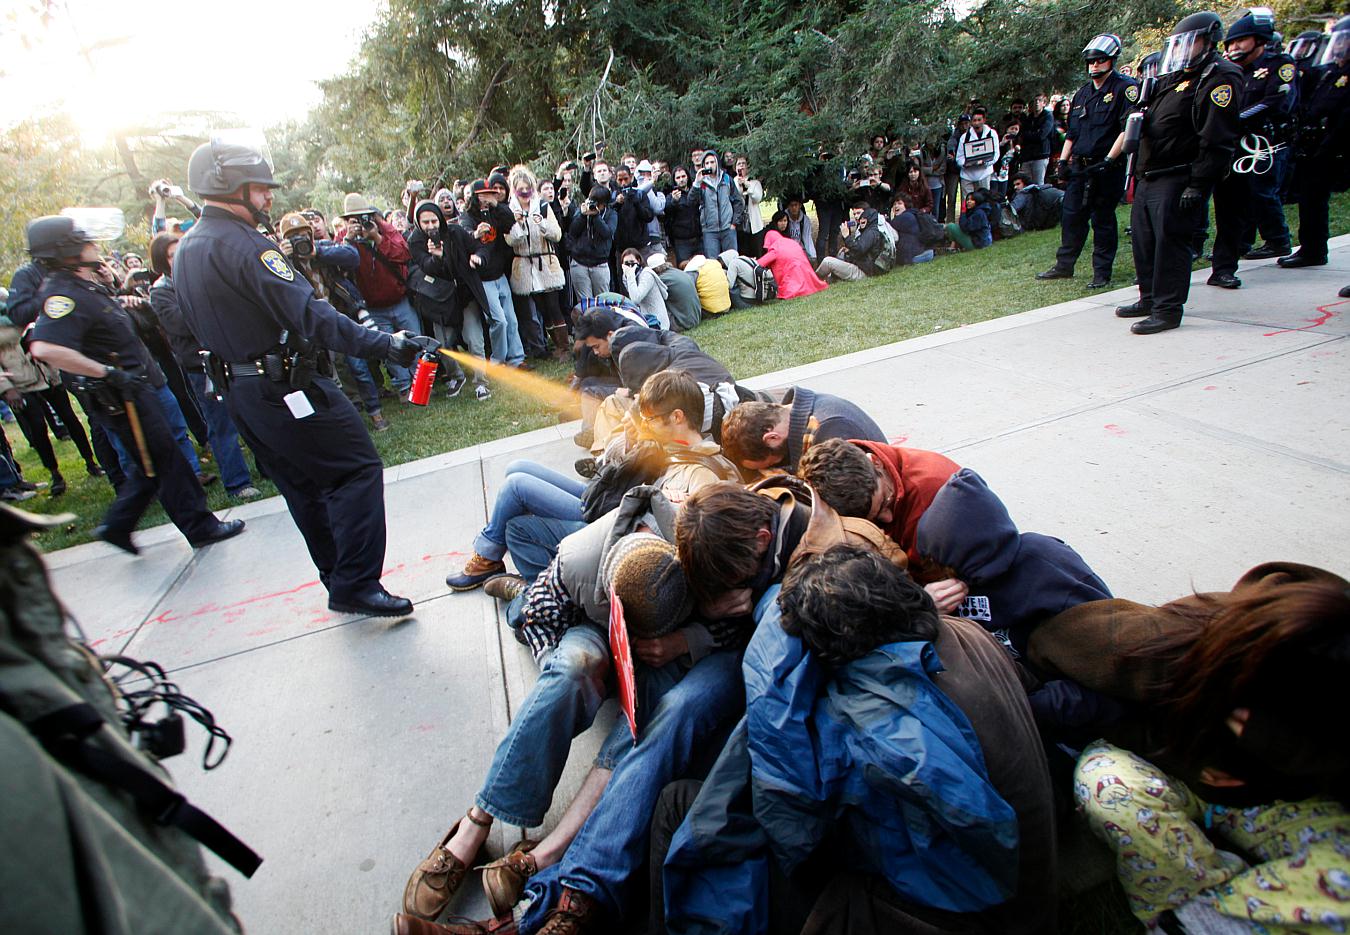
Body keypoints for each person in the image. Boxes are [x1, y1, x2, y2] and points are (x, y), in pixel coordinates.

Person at [174, 137, 425, 616]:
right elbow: (312, 315)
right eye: (258, 188)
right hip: (284, 387)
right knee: (356, 467)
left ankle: (336, 575)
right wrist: (386, 344)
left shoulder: (189, 248)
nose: (268, 197)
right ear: (230, 187)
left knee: (302, 485)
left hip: (242, 392)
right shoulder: (247, 247)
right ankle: (354, 583)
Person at [1028, 563, 1350, 932]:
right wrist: (1181, 758)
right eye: (1242, 721)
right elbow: (1051, 643)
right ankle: (1185, 910)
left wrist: (1269, 778)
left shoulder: (1331, 722)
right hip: (1157, 761)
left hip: (1267, 799)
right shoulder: (1166, 644)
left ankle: (1214, 908)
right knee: (1110, 789)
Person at [25, 215, 245, 554]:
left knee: (153, 464)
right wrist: (105, 372)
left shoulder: (85, 284)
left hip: (135, 387)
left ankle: (118, 525)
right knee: (165, 462)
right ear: (65, 250)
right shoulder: (62, 293)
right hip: (120, 395)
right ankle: (199, 527)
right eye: (83, 240)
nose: (92, 244)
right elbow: (44, 347)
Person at [1116, 12, 1242, 335]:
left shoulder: (1218, 77)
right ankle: (1149, 297)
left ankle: (1168, 308)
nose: (1184, 51)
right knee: (1145, 241)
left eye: (1192, 43)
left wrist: (1198, 184)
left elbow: (1216, 138)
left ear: (1209, 41)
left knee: (1171, 243)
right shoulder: (1177, 76)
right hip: (1150, 173)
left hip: (1179, 175)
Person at [147, 231, 261, 500]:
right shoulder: (161, 291)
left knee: (251, 415)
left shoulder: (198, 280)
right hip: (200, 366)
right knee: (221, 425)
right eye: (172, 256)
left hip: (229, 355)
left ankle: (268, 467)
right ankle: (237, 482)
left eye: (181, 252)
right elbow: (180, 324)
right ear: (162, 261)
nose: (179, 259)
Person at [1036, 34, 1139, 289]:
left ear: (1112, 60)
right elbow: (1072, 132)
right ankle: (1064, 266)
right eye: (1091, 61)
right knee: (1072, 217)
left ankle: (1101, 272)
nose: (1094, 66)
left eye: (1100, 61)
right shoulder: (1082, 94)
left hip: (1106, 167)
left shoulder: (1125, 88)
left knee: (1102, 220)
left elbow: (1127, 127)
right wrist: (1063, 161)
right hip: (1080, 167)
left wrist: (1109, 159)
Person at [1209, 8, 1297, 287]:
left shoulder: (1279, 64)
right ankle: (1224, 266)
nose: (1234, 47)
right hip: (1233, 146)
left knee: (1262, 193)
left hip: (1264, 145)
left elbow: (1275, 102)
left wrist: (1234, 120)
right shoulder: (1230, 71)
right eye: (1230, 43)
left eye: (1240, 41)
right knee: (1229, 208)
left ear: (1258, 39)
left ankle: (1278, 240)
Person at [1278, 16, 1348, 272]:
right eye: (1338, 40)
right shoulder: (1329, 71)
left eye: (1345, 40)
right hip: (1316, 147)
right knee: (1311, 199)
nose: (1340, 46)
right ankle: (1313, 249)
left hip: (1338, 148)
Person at [338, 193, 425, 398]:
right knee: (391, 350)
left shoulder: (384, 229)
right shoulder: (344, 237)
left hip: (400, 300)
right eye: (354, 220)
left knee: (417, 342)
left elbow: (403, 254)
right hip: (373, 307)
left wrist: (377, 237)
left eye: (363, 217)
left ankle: (421, 385)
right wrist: (349, 239)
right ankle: (404, 388)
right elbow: (339, 265)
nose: (360, 223)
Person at [719, 385, 885, 474]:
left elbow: (851, 495)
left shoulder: (829, 430)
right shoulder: (797, 415)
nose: (770, 468)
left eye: (770, 463)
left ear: (772, 438)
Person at [506, 166, 570, 360]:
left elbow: (557, 234)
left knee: (553, 306)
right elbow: (510, 240)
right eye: (520, 189)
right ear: (514, 190)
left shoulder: (542, 206)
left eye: (528, 188)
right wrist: (518, 225)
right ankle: (550, 346)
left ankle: (564, 347)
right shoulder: (509, 211)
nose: (525, 193)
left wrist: (541, 223)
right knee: (541, 309)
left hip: (545, 261)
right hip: (525, 265)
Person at [688, 150, 744, 259]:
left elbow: (738, 202)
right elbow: (691, 202)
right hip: (710, 231)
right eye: (707, 163)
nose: (710, 165)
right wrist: (696, 184)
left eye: (712, 162)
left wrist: (734, 223)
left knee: (732, 261)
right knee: (713, 263)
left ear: (717, 163)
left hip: (728, 228)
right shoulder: (701, 183)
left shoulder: (727, 179)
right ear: (703, 165)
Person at [567, 186, 617, 302]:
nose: (594, 205)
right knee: (585, 304)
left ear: (604, 204)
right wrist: (583, 216)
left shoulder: (611, 214)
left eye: (598, 204)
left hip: (600, 264)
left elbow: (607, 233)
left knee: (603, 302)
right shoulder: (582, 211)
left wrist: (596, 216)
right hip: (579, 263)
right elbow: (573, 232)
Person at [815, 201, 887, 282]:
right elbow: (863, 250)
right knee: (841, 254)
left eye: (859, 213)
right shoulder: (868, 229)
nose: (856, 217)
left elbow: (859, 250)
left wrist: (846, 236)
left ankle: (813, 281)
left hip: (864, 273)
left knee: (828, 261)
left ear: (868, 213)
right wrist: (849, 250)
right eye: (854, 214)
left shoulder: (871, 232)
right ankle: (828, 279)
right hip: (864, 268)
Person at [757, 229, 827, 299]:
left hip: (791, 278)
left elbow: (760, 263)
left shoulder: (775, 247)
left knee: (791, 289)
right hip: (807, 274)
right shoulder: (791, 242)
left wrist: (752, 261)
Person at [954, 107, 1000, 196]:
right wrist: (966, 164)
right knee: (968, 202)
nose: (977, 123)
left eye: (979, 120)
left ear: (984, 120)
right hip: (967, 175)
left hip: (984, 173)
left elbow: (996, 154)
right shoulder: (965, 137)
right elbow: (959, 158)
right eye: (974, 120)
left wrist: (985, 162)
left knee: (984, 200)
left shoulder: (992, 134)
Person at [619, 248, 669, 329]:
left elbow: (636, 299)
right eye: (626, 263)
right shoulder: (629, 276)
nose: (629, 266)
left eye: (632, 262)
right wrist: (628, 277)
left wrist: (630, 276)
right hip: (646, 319)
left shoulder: (646, 275)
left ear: (638, 261)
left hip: (658, 322)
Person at [661, 166, 702, 264]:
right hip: (681, 241)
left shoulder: (695, 191)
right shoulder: (671, 196)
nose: (681, 180)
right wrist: (674, 201)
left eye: (683, 176)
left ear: (687, 177)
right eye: (678, 178)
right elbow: (666, 211)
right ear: (674, 180)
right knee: (684, 268)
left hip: (698, 238)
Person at [888, 195, 936, 265]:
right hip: (923, 252)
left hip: (914, 256)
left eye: (899, 203)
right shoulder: (913, 213)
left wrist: (891, 217)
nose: (896, 206)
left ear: (906, 205)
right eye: (894, 204)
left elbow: (888, 227)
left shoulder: (906, 217)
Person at [1020, 93, 1056, 185]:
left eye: (1040, 101)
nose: (1037, 103)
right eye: (1035, 100)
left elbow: (1042, 135)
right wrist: (1033, 134)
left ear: (1044, 103)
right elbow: (1023, 134)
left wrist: (1030, 135)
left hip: (1041, 154)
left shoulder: (1048, 116)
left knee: (1038, 184)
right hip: (1027, 156)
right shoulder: (1029, 118)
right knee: (1026, 183)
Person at [732, 156, 764, 256]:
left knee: (757, 253)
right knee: (743, 253)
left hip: (754, 224)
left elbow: (757, 198)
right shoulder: (732, 182)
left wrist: (747, 185)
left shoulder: (754, 182)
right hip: (740, 224)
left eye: (743, 163)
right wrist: (739, 184)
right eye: (738, 164)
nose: (741, 166)